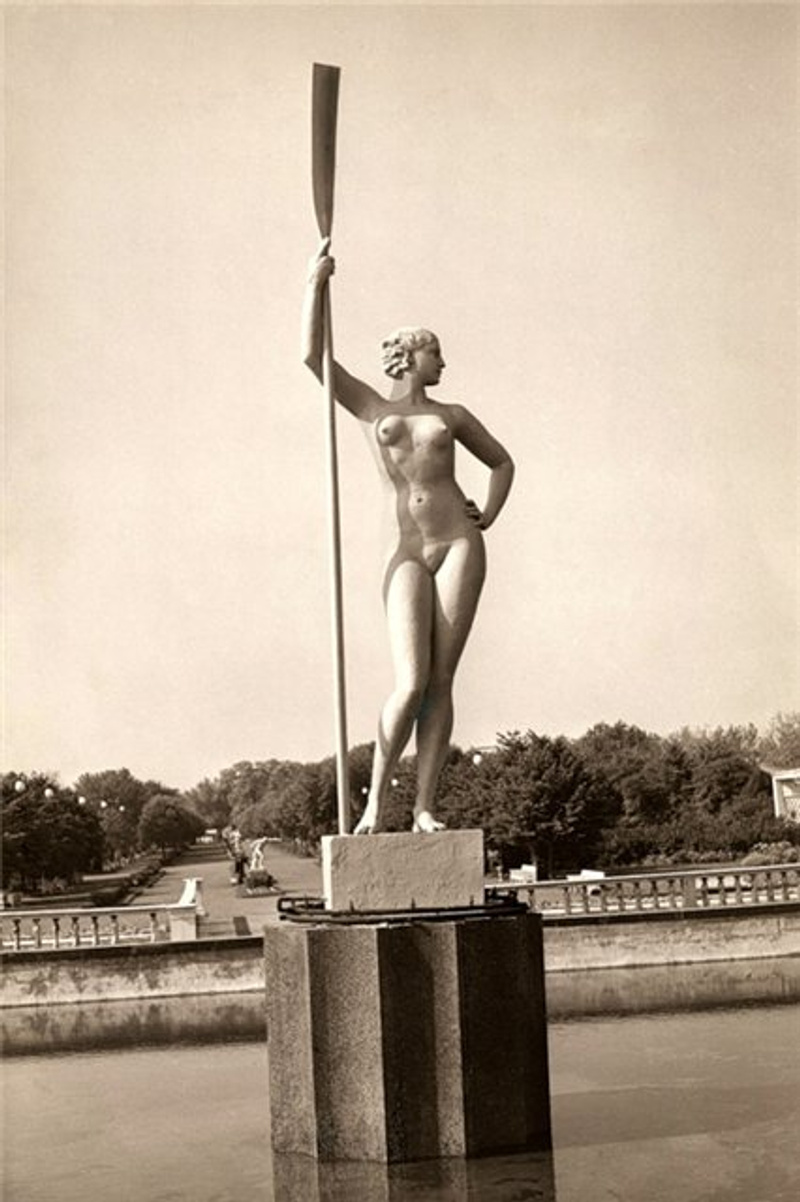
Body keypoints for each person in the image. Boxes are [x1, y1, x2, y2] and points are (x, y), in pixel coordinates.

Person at [302, 240, 514, 834]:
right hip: (406, 551)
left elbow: (502, 462)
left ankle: (423, 805)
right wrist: (315, 285)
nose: (442, 362)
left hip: (460, 543)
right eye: (435, 352)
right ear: (411, 357)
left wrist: (488, 514)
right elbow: (313, 358)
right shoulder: (372, 408)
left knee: (441, 681)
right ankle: (375, 803)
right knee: (411, 681)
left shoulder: (453, 416)